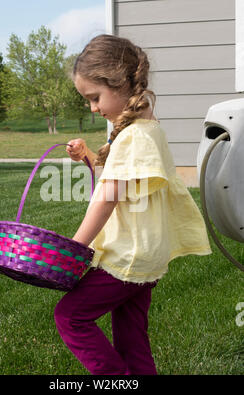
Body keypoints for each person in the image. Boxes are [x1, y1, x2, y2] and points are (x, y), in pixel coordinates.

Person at [54, 34, 212, 375]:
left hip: (129, 256)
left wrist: (74, 248)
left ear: (119, 82)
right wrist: (87, 157)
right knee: (131, 337)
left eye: (95, 98)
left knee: (70, 317)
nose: (93, 108)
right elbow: (120, 179)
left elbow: (109, 196)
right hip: (147, 256)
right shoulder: (145, 129)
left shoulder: (134, 135)